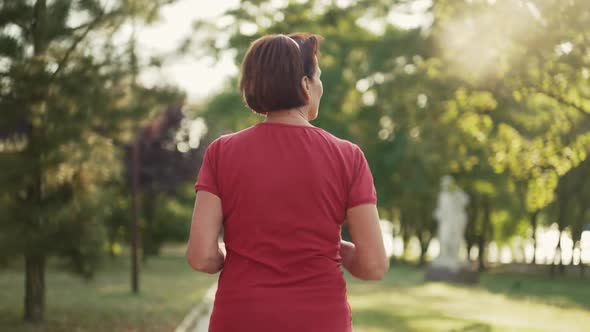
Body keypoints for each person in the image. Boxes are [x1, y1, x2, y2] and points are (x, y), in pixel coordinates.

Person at [185, 33, 389, 332]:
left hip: (241, 318)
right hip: (320, 321)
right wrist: (333, 247)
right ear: (305, 84)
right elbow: (373, 265)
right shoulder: (348, 156)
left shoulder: (222, 152)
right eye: (318, 77)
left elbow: (201, 257)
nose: (321, 86)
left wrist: (240, 255)